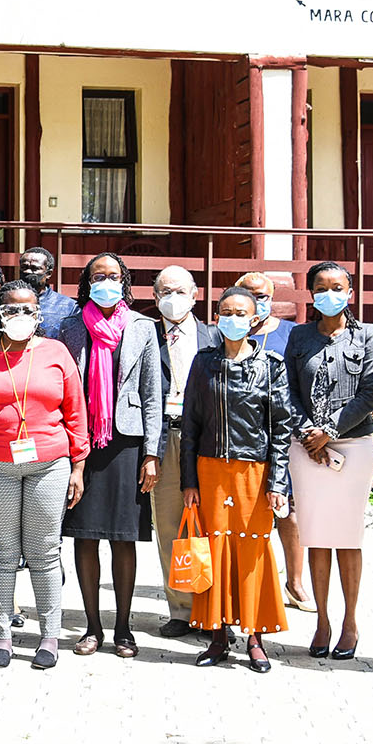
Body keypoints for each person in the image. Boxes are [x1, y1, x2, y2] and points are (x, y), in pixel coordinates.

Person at [0, 280, 89, 669]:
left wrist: (78, 466)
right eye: (12, 309)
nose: (20, 316)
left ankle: (50, 635)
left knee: (44, 551)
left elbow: (76, 413)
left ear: (39, 313)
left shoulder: (56, 352)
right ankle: (2, 635)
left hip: (49, 464)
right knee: (2, 552)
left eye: (28, 309)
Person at [53, 253, 164, 658]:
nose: (106, 281)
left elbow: (153, 393)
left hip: (127, 444)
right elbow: (62, 389)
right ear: (86, 282)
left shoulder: (142, 327)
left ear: (125, 281)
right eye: (98, 275)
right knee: (84, 535)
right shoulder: (69, 326)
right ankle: (92, 627)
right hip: (81, 443)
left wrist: (152, 453)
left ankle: (123, 627)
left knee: (123, 538)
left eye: (114, 276)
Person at [179, 285, 292, 672]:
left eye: (240, 312)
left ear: (255, 317)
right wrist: (188, 481)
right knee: (213, 551)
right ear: (216, 318)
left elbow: (281, 430)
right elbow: (190, 425)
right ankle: (217, 637)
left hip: (254, 472)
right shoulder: (203, 362)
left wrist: (278, 483)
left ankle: (255, 637)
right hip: (210, 470)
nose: (233, 319)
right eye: (226, 312)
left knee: (251, 551)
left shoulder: (271, 365)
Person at [285, 262, 373, 662]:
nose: (329, 293)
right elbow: (287, 390)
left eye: (337, 286)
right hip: (307, 450)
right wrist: (309, 433)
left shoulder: (367, 335)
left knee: (347, 536)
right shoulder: (299, 336)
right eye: (321, 287)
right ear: (310, 294)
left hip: (354, 448)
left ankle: (350, 622)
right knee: (316, 535)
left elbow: (371, 392)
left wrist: (328, 429)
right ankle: (322, 620)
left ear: (350, 291)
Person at [148, 265, 220, 638]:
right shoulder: (143, 333)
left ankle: (213, 610)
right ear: (155, 296)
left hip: (207, 442)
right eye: (165, 291)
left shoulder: (215, 336)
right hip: (164, 438)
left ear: (195, 294)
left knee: (211, 525)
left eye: (180, 291)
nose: (172, 298)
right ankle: (180, 608)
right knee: (171, 524)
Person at [235, 268, 310, 611]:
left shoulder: (291, 335)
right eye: (249, 294)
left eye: (263, 296)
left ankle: (295, 582)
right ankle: (247, 583)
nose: (256, 301)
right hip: (240, 437)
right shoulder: (229, 332)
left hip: (282, 435)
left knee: (288, 511)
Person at [17, 246, 79, 339]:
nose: (28, 272)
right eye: (24, 267)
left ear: (48, 273)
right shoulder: (8, 301)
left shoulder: (69, 307)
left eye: (35, 268)